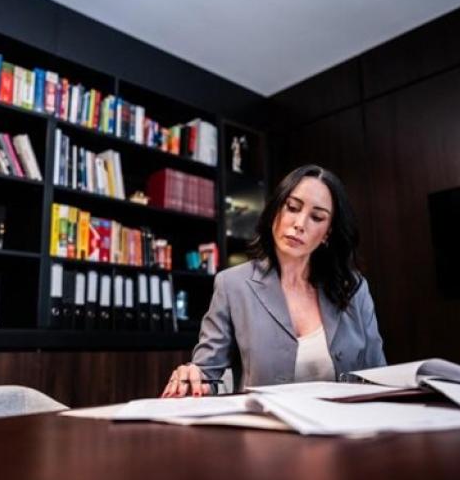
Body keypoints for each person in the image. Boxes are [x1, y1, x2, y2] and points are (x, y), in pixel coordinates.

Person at [162, 164, 386, 397]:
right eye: (292, 207)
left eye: (317, 217)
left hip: (345, 429)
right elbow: (206, 373)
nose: (300, 224)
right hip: (265, 429)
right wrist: (192, 378)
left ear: (327, 233)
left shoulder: (354, 288)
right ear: (276, 210)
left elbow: (380, 376)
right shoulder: (233, 285)